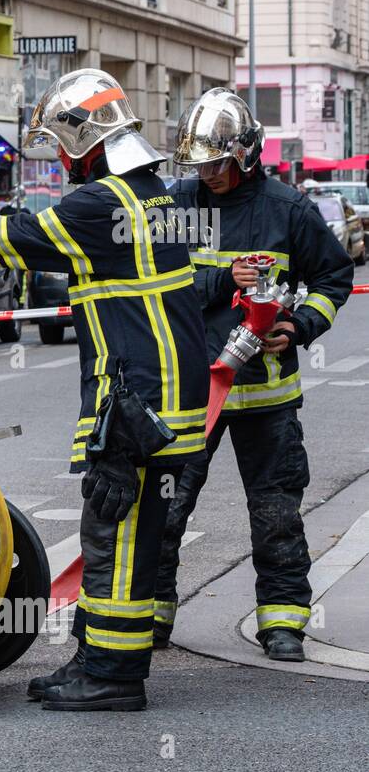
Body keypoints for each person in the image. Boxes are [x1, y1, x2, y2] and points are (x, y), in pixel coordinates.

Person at [0, 68, 209, 711]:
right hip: (168, 400)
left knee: (113, 537)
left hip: (135, 403)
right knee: (126, 533)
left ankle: (111, 678)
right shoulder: (160, 197)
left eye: (63, 148)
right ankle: (96, 659)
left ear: (85, 140)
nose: (61, 161)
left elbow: (15, 239)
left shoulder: (99, 205)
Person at [153, 89, 354, 660]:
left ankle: (283, 623)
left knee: (277, 515)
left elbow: (333, 279)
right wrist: (225, 280)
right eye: (198, 164)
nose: (207, 174)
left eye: (217, 163)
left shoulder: (287, 209)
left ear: (245, 155)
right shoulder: (176, 206)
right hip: (195, 392)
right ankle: (152, 618)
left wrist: (300, 327)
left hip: (267, 396)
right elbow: (157, 285)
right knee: (167, 509)